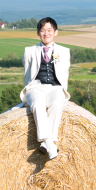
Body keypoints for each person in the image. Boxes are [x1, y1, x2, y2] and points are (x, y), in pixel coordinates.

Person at [20, 17, 71, 160]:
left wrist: (64, 97)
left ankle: (46, 143)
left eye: (49, 30)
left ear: (56, 32)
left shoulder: (64, 51)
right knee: (38, 103)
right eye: (42, 30)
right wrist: (27, 95)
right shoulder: (29, 51)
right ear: (38, 33)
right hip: (36, 86)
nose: (46, 33)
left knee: (56, 103)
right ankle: (50, 143)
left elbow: (64, 75)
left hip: (55, 87)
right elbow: (26, 75)